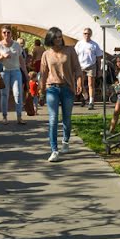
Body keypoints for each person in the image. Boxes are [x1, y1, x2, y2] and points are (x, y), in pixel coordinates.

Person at [39, 27, 80, 161]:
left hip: (67, 88)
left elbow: (77, 68)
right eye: (55, 37)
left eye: (60, 36)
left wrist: (79, 82)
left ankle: (65, 141)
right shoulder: (46, 54)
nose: (58, 39)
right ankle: (54, 150)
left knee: (66, 118)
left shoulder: (70, 50)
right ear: (50, 38)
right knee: (53, 119)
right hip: (52, 88)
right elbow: (43, 74)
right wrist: (41, 92)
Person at [0, 27, 26, 124]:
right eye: (4, 32)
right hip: (4, 72)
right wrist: (2, 56)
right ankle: (4, 116)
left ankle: (19, 117)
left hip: (16, 71)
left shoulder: (16, 44)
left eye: (8, 32)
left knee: (18, 93)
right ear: (2, 34)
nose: (6, 34)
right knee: (4, 94)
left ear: (11, 33)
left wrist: (25, 72)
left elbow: (21, 59)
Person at [74, 28, 104, 109]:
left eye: (88, 33)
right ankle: (85, 97)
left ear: (91, 34)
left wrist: (99, 69)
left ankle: (91, 102)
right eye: (85, 33)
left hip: (91, 66)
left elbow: (98, 58)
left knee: (90, 84)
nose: (87, 35)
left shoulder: (94, 45)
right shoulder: (79, 44)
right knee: (80, 84)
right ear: (83, 34)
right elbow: (75, 56)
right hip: (81, 66)